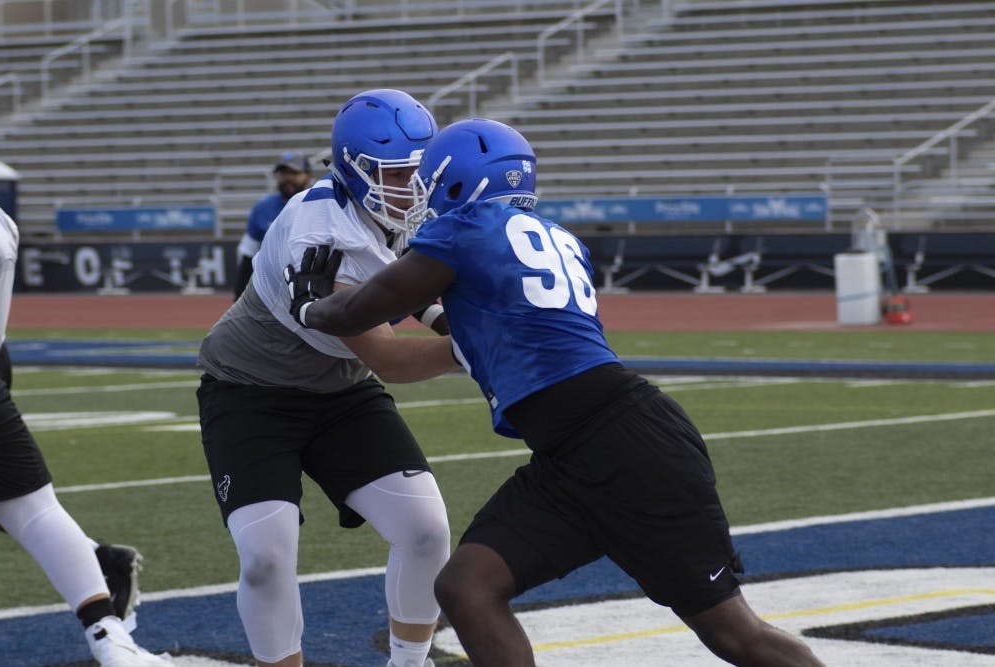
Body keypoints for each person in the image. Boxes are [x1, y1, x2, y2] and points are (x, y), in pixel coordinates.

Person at [285, 118, 826, 666]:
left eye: (429, 184)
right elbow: (459, 310)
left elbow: (359, 309)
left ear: (457, 185)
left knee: (736, 634)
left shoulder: (464, 229)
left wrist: (309, 304)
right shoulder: (559, 238)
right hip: (579, 453)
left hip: (624, 450)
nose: (422, 199)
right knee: (466, 587)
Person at [196, 89, 459, 667]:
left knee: (425, 530)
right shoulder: (318, 230)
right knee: (265, 559)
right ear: (355, 171)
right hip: (250, 391)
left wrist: (459, 321)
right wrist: (470, 350)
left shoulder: (409, 211)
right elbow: (389, 359)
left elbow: (422, 290)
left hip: (339, 388)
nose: (413, 188)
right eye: (396, 174)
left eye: (420, 171)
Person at [0, 203, 171, 666]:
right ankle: (108, 629)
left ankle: (108, 624)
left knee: (28, 507)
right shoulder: (1, 223)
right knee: (28, 508)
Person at [233, 151, 316, 299]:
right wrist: (239, 294)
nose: (288, 179)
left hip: (314, 286)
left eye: (294, 173)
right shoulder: (262, 208)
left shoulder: (321, 204)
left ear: (308, 176)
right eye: (283, 174)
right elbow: (248, 253)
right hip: (273, 291)